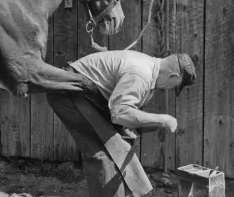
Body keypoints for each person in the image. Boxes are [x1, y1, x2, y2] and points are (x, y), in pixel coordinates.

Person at [47, 50, 196, 197]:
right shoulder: (141, 75)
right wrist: (163, 119)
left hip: (87, 93)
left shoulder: (148, 68)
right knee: (104, 153)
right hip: (69, 91)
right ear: (173, 76)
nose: (169, 89)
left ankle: (132, 193)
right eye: (174, 86)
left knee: (121, 145)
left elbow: (123, 113)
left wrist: (153, 125)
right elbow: (120, 114)